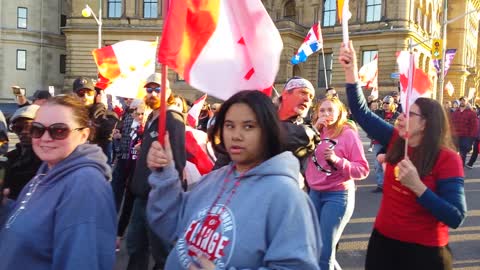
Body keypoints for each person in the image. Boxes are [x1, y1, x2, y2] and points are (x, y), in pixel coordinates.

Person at [146, 90, 321, 269]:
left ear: (268, 131)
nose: (236, 135)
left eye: (248, 126)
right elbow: (171, 224)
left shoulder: (288, 197)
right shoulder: (214, 179)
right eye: (229, 125)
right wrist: (165, 172)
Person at [340, 41, 467, 270]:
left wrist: (418, 186)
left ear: (425, 124)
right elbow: (362, 113)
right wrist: (350, 71)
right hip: (383, 243)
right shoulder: (396, 139)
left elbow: (456, 216)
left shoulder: (447, 159)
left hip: (425, 253)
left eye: (409, 113)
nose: (400, 116)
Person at [0, 94, 116, 270]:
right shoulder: (48, 169)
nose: (45, 138)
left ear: (84, 135)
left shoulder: (85, 186)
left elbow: (82, 261)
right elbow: (37, 226)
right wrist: (5, 206)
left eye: (59, 130)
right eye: (37, 129)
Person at [126, 73, 186, 270]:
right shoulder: (153, 116)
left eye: (157, 89)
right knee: (135, 248)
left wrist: (171, 198)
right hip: (140, 195)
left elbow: (178, 161)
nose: (152, 93)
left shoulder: (172, 119)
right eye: (149, 89)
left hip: (158, 197)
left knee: (162, 254)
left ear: (167, 91)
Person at [306, 96, 369, 270]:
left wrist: (337, 160)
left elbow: (362, 169)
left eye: (330, 110)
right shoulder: (313, 133)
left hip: (337, 195)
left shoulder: (348, 134)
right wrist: (312, 132)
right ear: (316, 114)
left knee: (325, 252)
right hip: (314, 194)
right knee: (313, 248)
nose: (326, 114)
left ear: (340, 112)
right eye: (322, 110)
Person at [277, 77, 320, 183]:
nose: (307, 99)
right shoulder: (264, 118)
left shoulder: (306, 132)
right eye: (303, 93)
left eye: (311, 96)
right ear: (285, 95)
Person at [73, 77, 119, 164]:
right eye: (81, 93)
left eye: (89, 93)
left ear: (95, 94)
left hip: (97, 167)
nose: (85, 97)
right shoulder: (70, 115)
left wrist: (99, 106)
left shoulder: (109, 115)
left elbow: (103, 130)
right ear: (74, 95)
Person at [3, 105, 43, 200]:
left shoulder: (46, 160)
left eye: (30, 128)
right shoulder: (10, 157)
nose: (24, 132)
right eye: (18, 128)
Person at [450, 96, 478, 166]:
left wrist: (471, 139)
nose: (462, 102)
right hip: (455, 136)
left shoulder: (471, 113)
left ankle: (460, 170)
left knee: (462, 154)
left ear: (467, 102)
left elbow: (474, 127)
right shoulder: (456, 112)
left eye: (464, 100)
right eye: (461, 100)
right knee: (453, 154)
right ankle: (454, 169)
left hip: (465, 137)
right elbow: (451, 123)